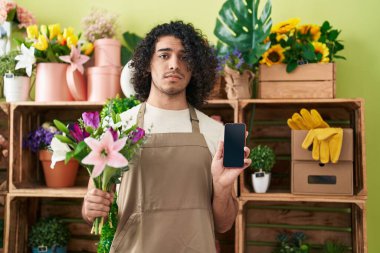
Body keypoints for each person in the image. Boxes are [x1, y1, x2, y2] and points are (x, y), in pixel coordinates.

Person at [82, 21, 251, 253]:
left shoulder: (217, 134)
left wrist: (222, 189)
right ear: (147, 64)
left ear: (195, 68)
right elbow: (91, 207)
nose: (174, 64)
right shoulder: (117, 128)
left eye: (184, 57)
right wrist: (90, 207)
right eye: (164, 55)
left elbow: (224, 224)